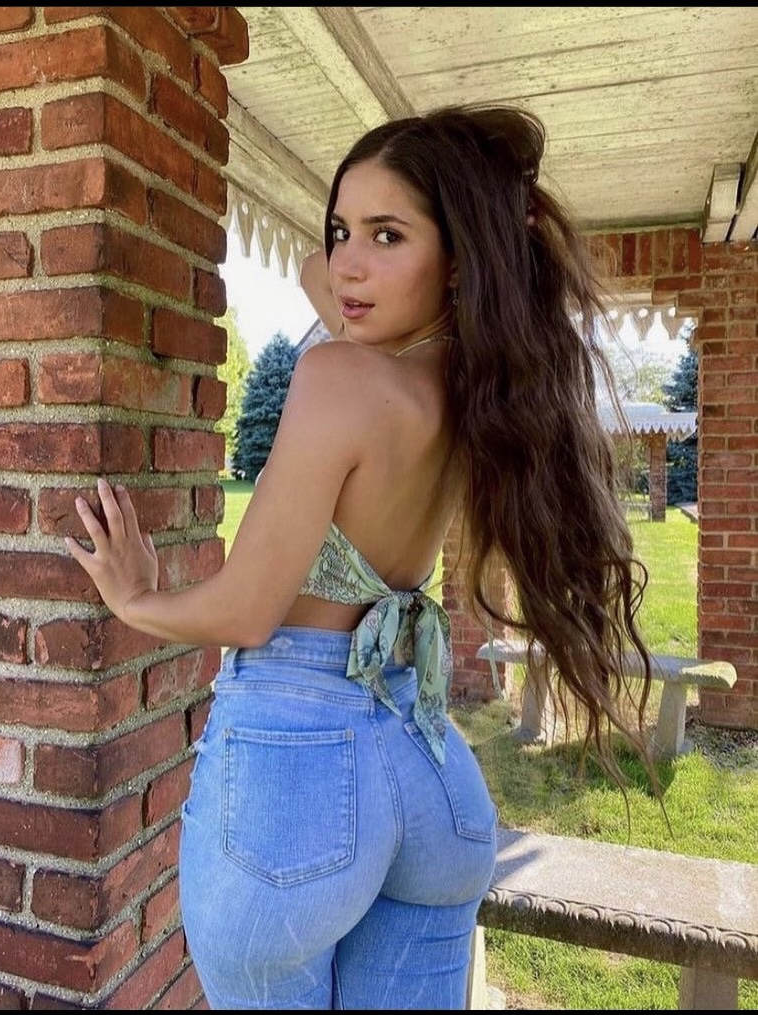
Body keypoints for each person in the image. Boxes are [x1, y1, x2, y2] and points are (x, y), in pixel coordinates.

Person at [65, 103, 656, 1010]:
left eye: (388, 235)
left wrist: (135, 597)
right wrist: (382, 243)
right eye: (342, 230)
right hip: (427, 778)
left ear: (457, 260)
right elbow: (328, 277)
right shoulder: (472, 386)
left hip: (296, 779)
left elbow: (245, 612)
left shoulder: (339, 376)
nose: (345, 264)